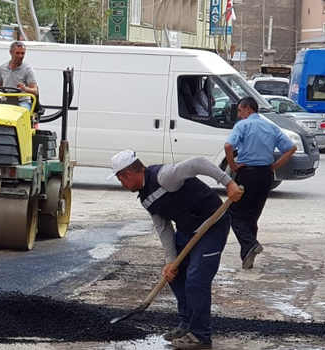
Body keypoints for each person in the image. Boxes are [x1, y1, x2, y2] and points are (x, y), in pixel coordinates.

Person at [108, 150, 243, 350]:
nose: (122, 185)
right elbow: (163, 229)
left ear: (128, 174)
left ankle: (200, 336)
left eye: (120, 179)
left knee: (197, 279)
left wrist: (228, 183)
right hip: (188, 231)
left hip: (212, 226)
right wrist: (170, 260)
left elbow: (198, 161)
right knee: (175, 275)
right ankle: (187, 324)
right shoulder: (146, 198)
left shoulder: (165, 176)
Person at [223, 97, 297, 269]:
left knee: (234, 214)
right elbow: (291, 148)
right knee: (252, 216)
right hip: (265, 175)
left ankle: (250, 245)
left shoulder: (243, 125)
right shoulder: (271, 126)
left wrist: (232, 165)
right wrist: (275, 166)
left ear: (248, 109)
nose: (239, 116)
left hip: (247, 173)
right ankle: (247, 255)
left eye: (240, 111)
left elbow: (228, 146)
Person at [0, 41, 39, 111]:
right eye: (17, 53)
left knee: (20, 113)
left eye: (22, 53)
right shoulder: (2, 68)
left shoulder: (28, 69)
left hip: (22, 102)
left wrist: (25, 89)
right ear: (11, 52)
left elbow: (35, 91)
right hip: (6, 101)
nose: (20, 56)